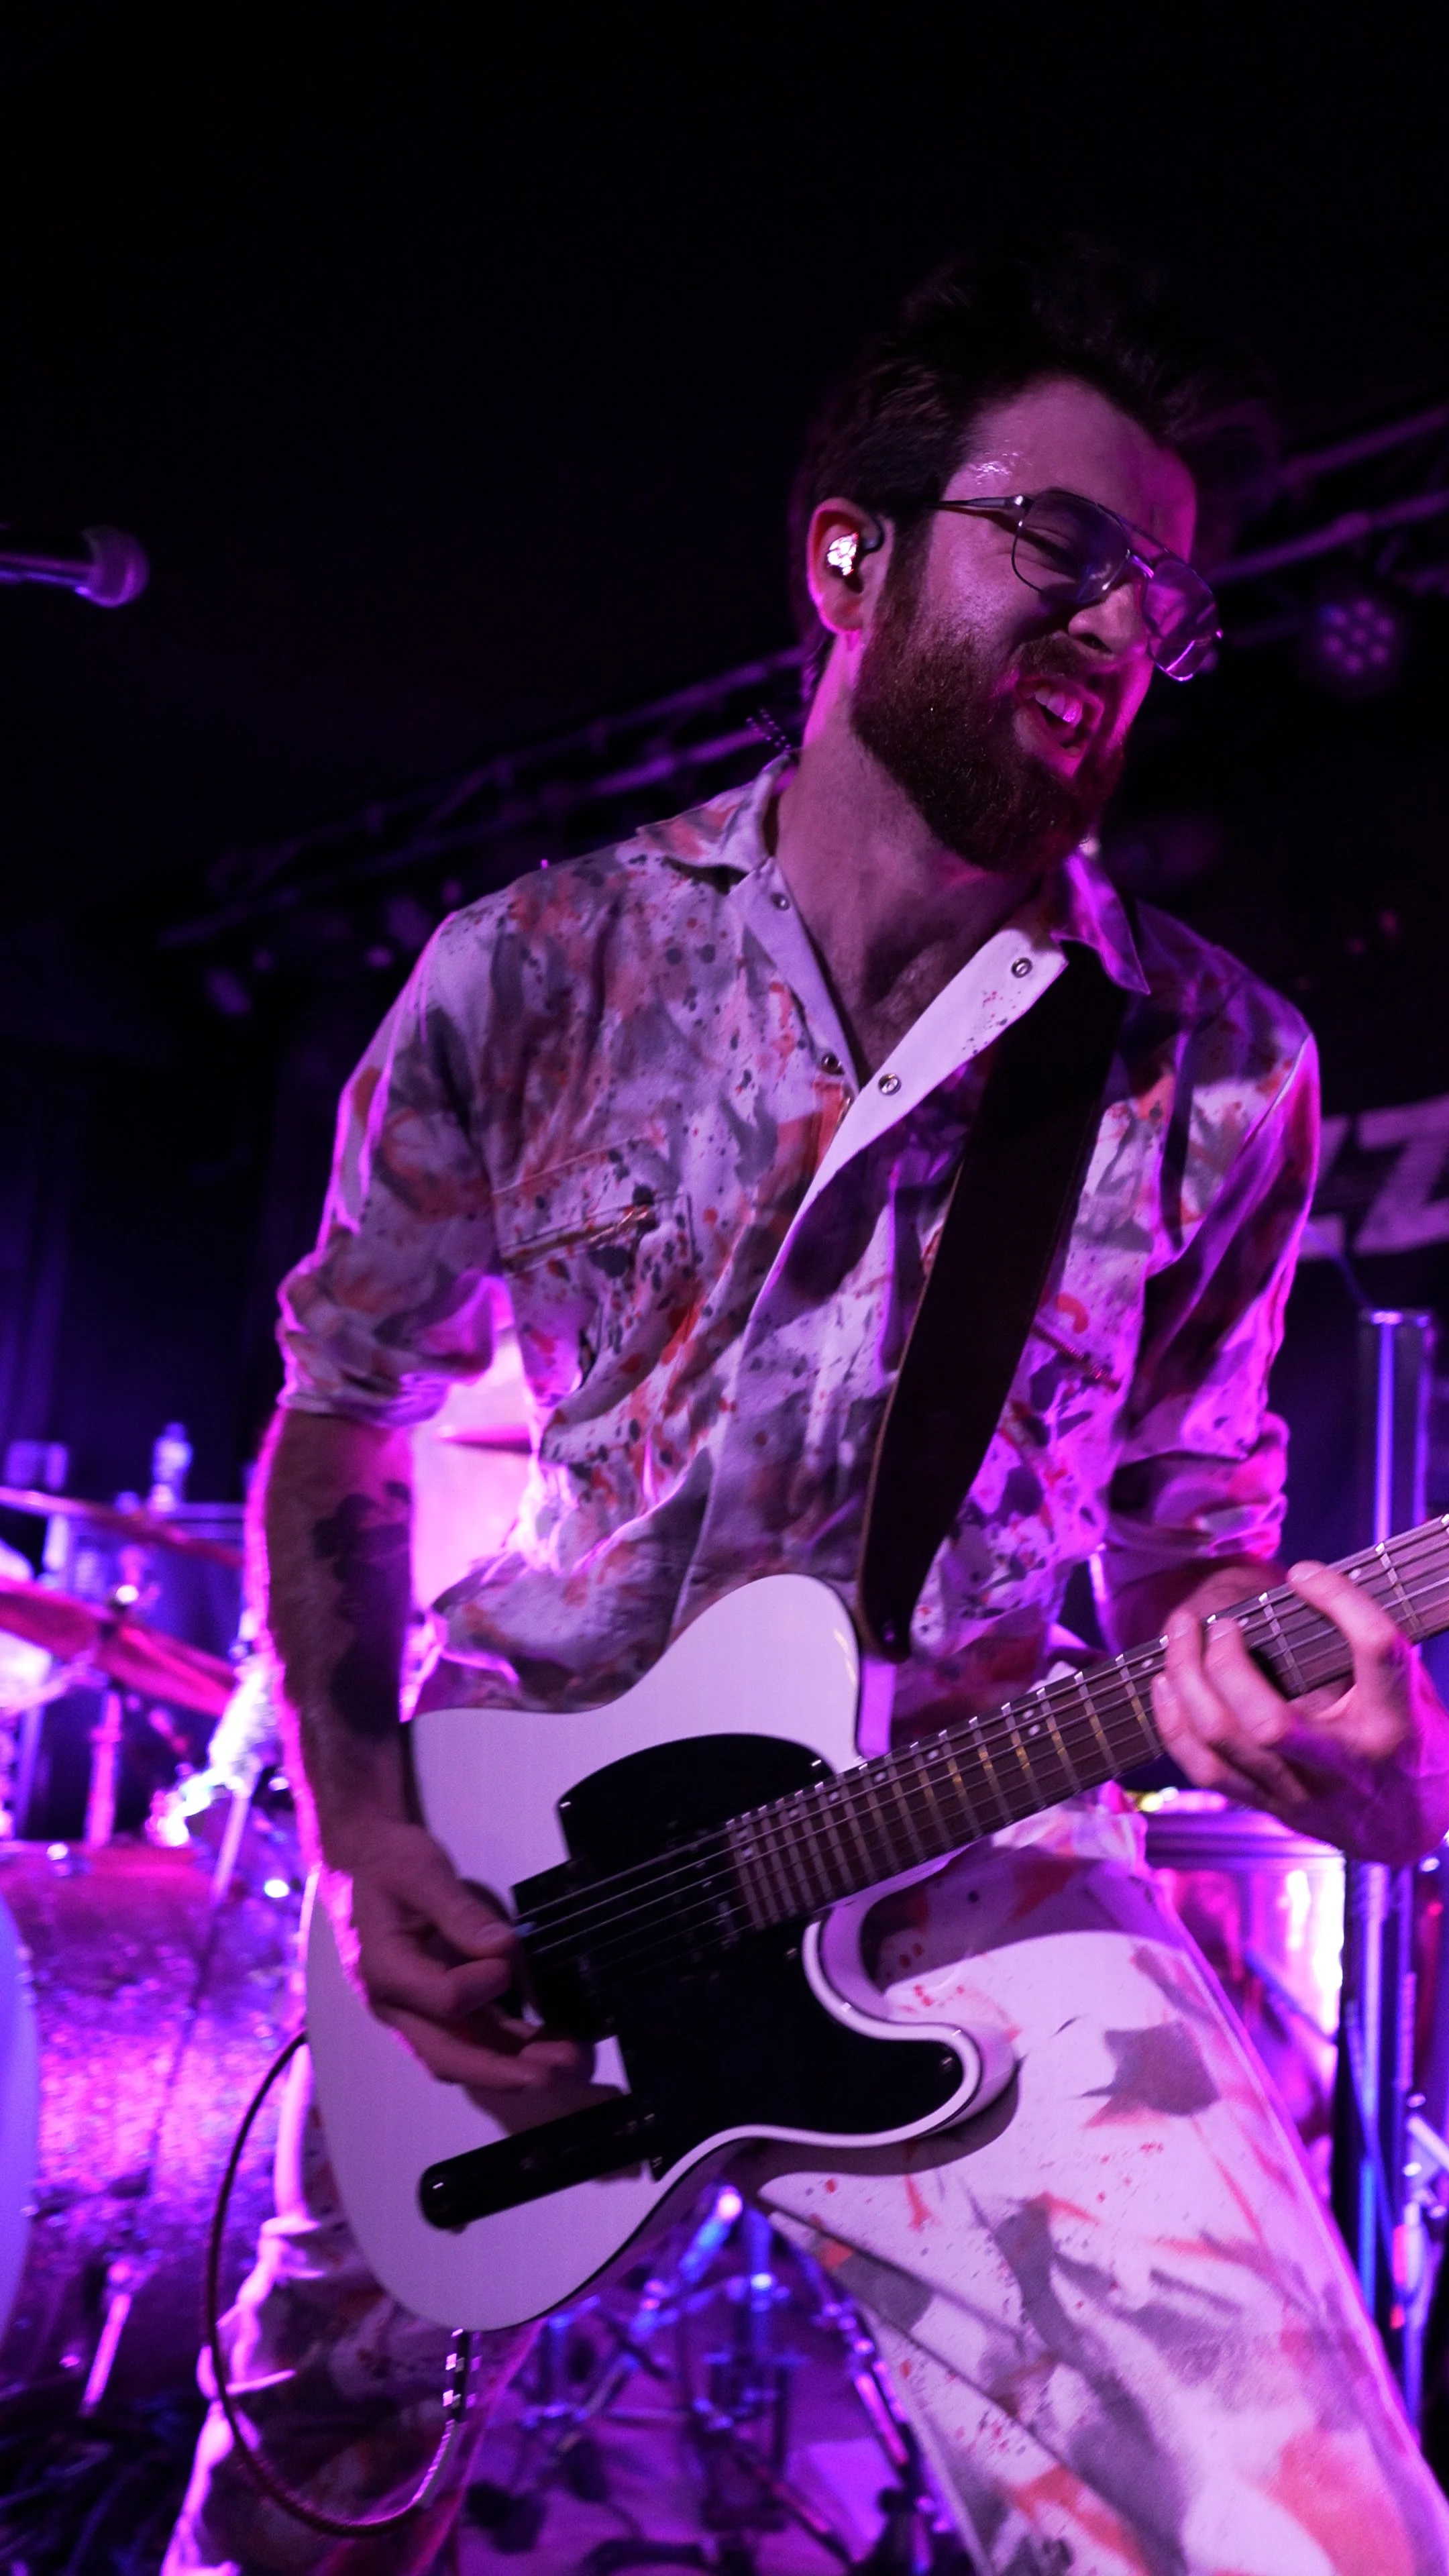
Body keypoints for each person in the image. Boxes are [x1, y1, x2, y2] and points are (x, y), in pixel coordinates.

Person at [167, 248, 1449, 2576]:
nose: (1119, 621)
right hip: (515, 1858)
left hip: (973, 1852)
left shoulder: (1225, 1069)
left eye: (1167, 596)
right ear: (850, 552)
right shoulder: (538, 970)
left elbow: (1192, 1534)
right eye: (1060, 542)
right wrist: (369, 1842)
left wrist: (1336, 1725)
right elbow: (347, 1420)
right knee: (300, 2485)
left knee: (1314, 2531)